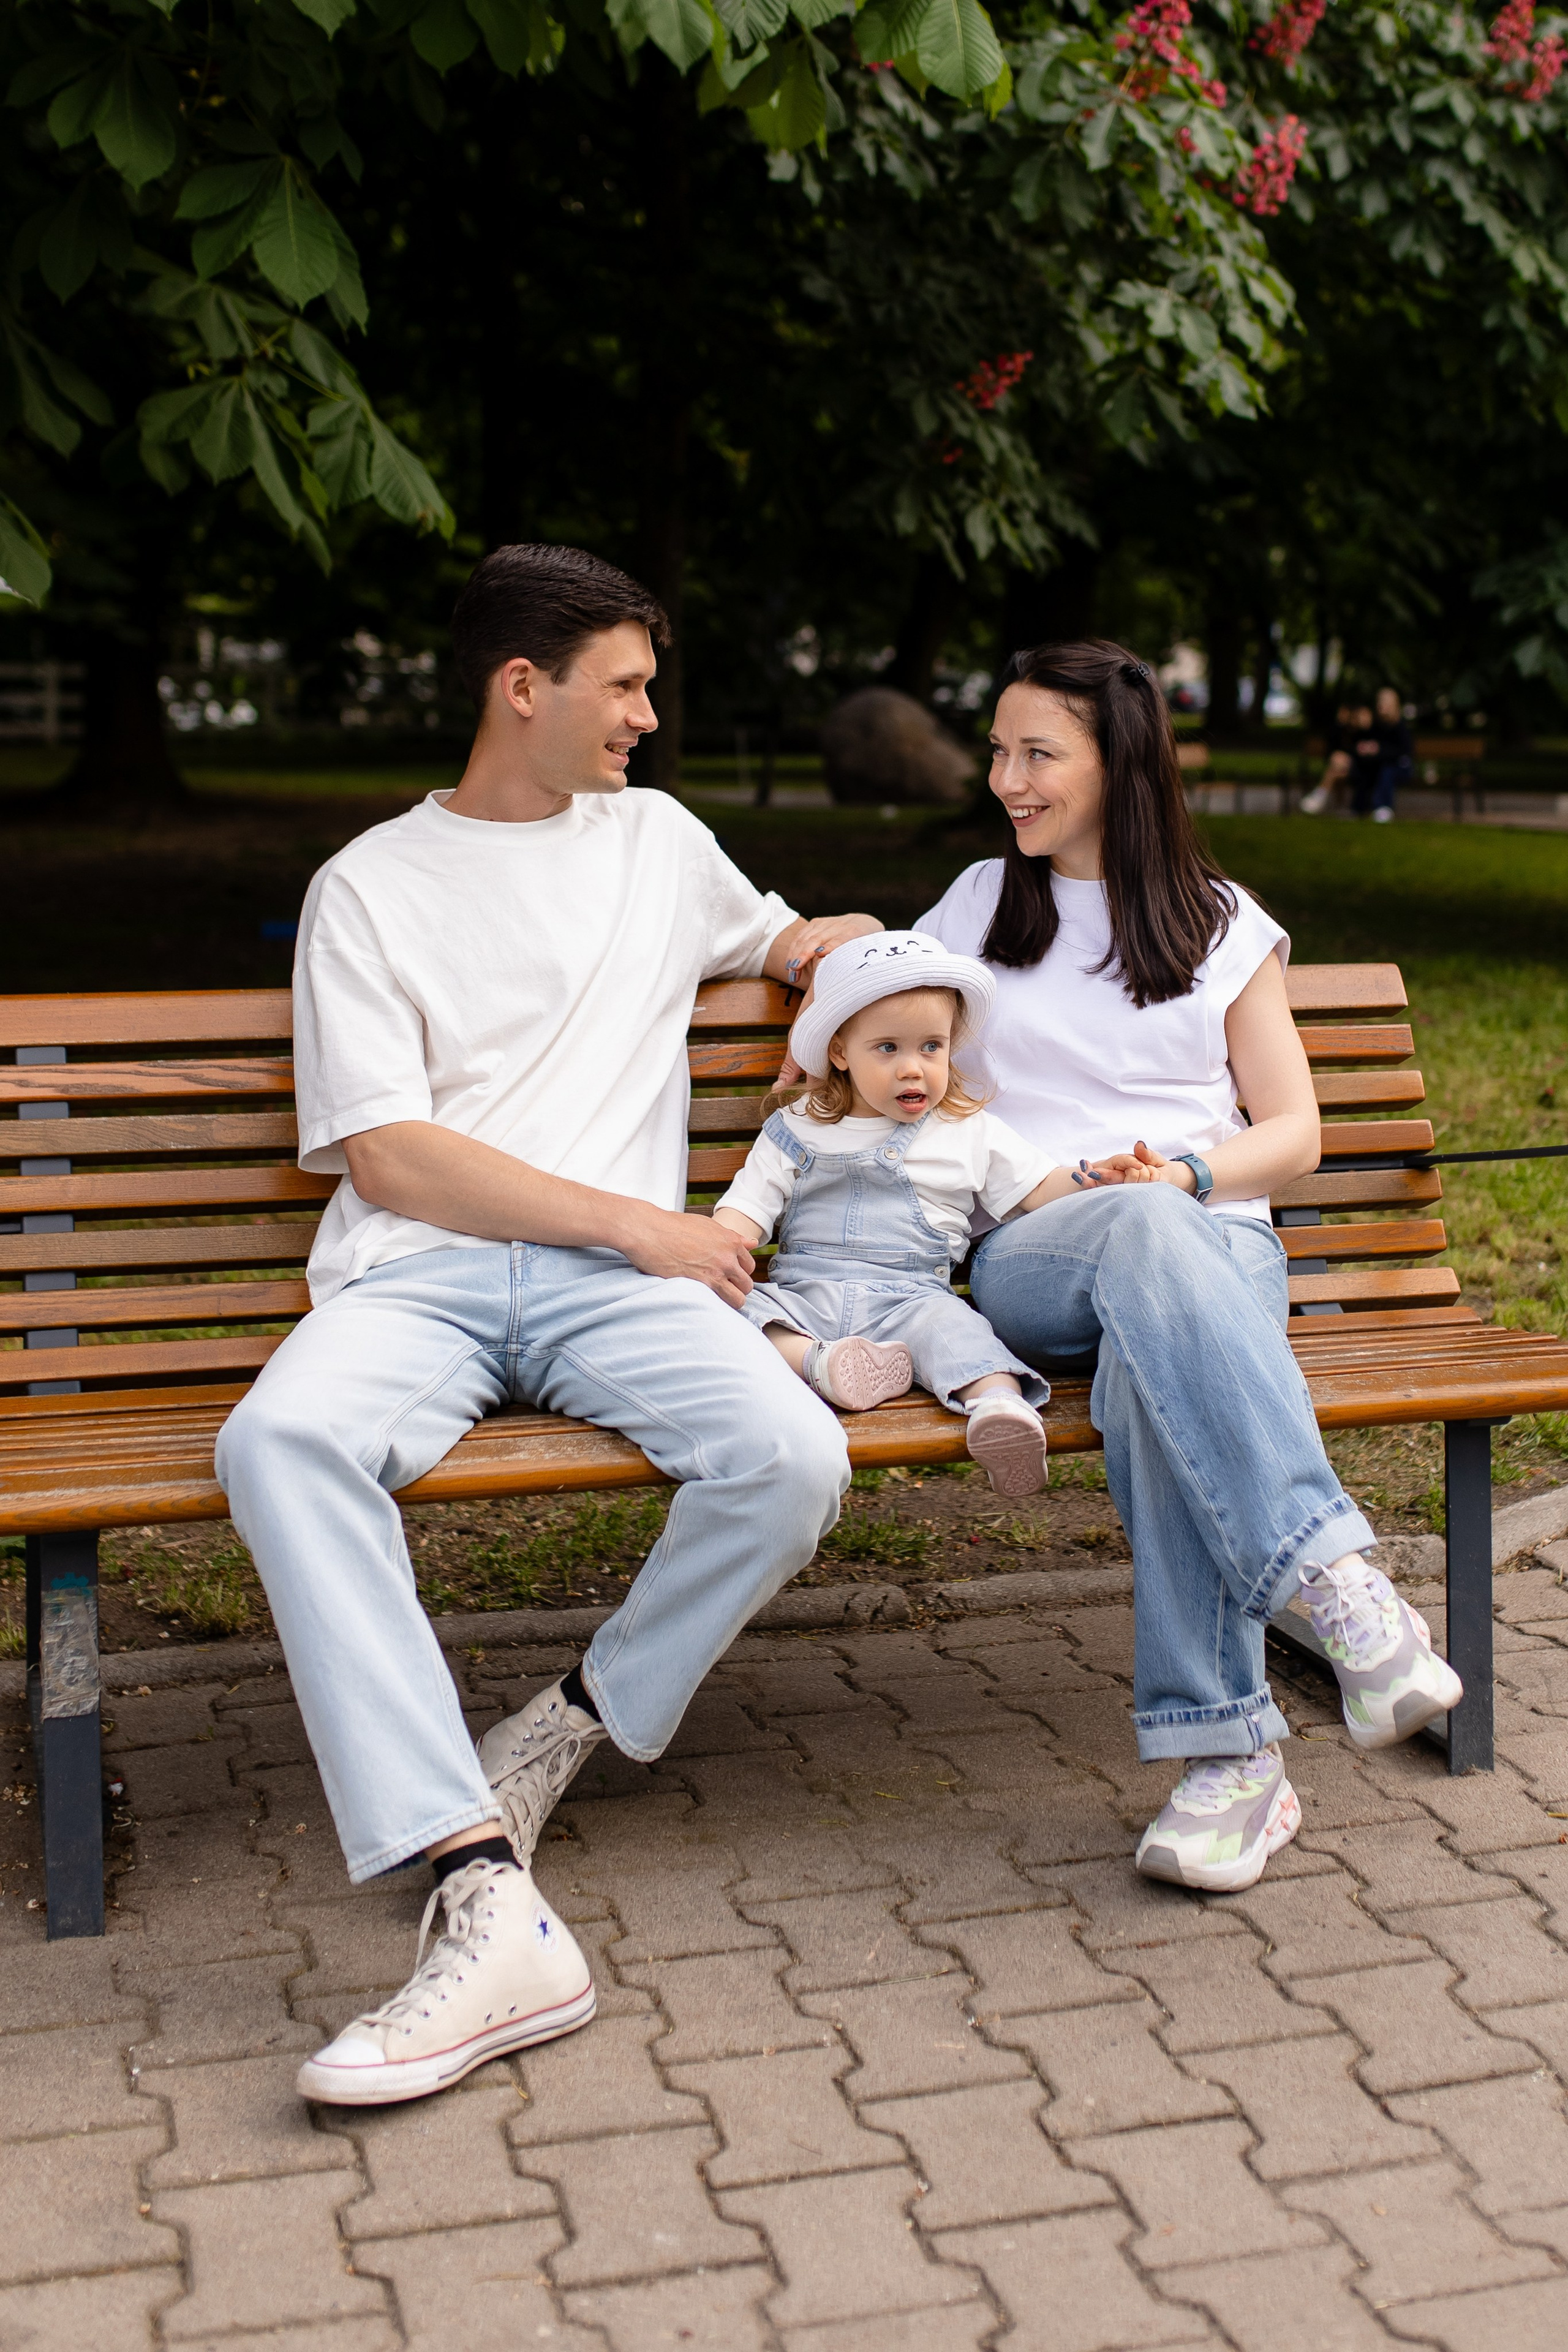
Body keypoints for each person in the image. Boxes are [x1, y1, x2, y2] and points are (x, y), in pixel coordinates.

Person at [215, 543, 881, 2106]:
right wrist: (641, 1221)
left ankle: (571, 1719)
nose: (648, 714)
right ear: (525, 687)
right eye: (626, 685)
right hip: (424, 1267)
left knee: (789, 1458)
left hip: (609, 1299)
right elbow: (392, 1155)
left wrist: (841, 974)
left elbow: (791, 938)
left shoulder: (656, 840)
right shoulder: (369, 886)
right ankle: (476, 1885)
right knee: (282, 1438)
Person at [916, 639, 1463, 1895]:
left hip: (1208, 1242)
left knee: (1145, 1380)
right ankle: (1332, 1585)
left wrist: (1189, 1178)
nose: (1006, 776)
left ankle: (1230, 1768)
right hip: (1037, 1252)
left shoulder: (1215, 924)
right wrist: (1058, 1184)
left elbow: (1293, 1134)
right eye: (998, 750)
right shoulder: (970, 908)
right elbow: (903, 1072)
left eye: (1036, 753)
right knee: (1142, 1241)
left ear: (1121, 763)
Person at [714, 929, 1085, 1498]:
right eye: (888, 1049)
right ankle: (824, 1363)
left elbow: (1041, 1189)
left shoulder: (969, 1131)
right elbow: (744, 1212)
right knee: (735, 1316)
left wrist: (1093, 1179)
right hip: (804, 1296)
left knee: (958, 1331)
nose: (913, 1069)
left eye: (931, 1047)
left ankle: (999, 1409)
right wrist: (715, 1254)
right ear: (840, 1052)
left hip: (912, 1300)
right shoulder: (798, 1129)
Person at [1364, 685, 1412, 823]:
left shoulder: (1400, 727)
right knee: (1369, 769)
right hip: (1380, 764)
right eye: (1380, 702)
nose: (1382, 706)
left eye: (1385, 703)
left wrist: (1379, 750)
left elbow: (1403, 753)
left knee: (1387, 771)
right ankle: (1360, 807)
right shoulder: (1375, 725)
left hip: (1399, 767)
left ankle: (1383, 807)